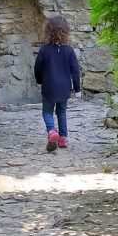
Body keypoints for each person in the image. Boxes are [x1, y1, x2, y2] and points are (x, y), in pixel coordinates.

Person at [34, 16, 81, 152]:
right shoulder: (69, 51)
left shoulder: (44, 50)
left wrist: (39, 80)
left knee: (47, 111)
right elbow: (75, 72)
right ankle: (63, 138)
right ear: (66, 31)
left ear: (48, 31)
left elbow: (37, 68)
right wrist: (77, 89)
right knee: (61, 111)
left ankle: (52, 132)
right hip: (65, 87)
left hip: (49, 86)